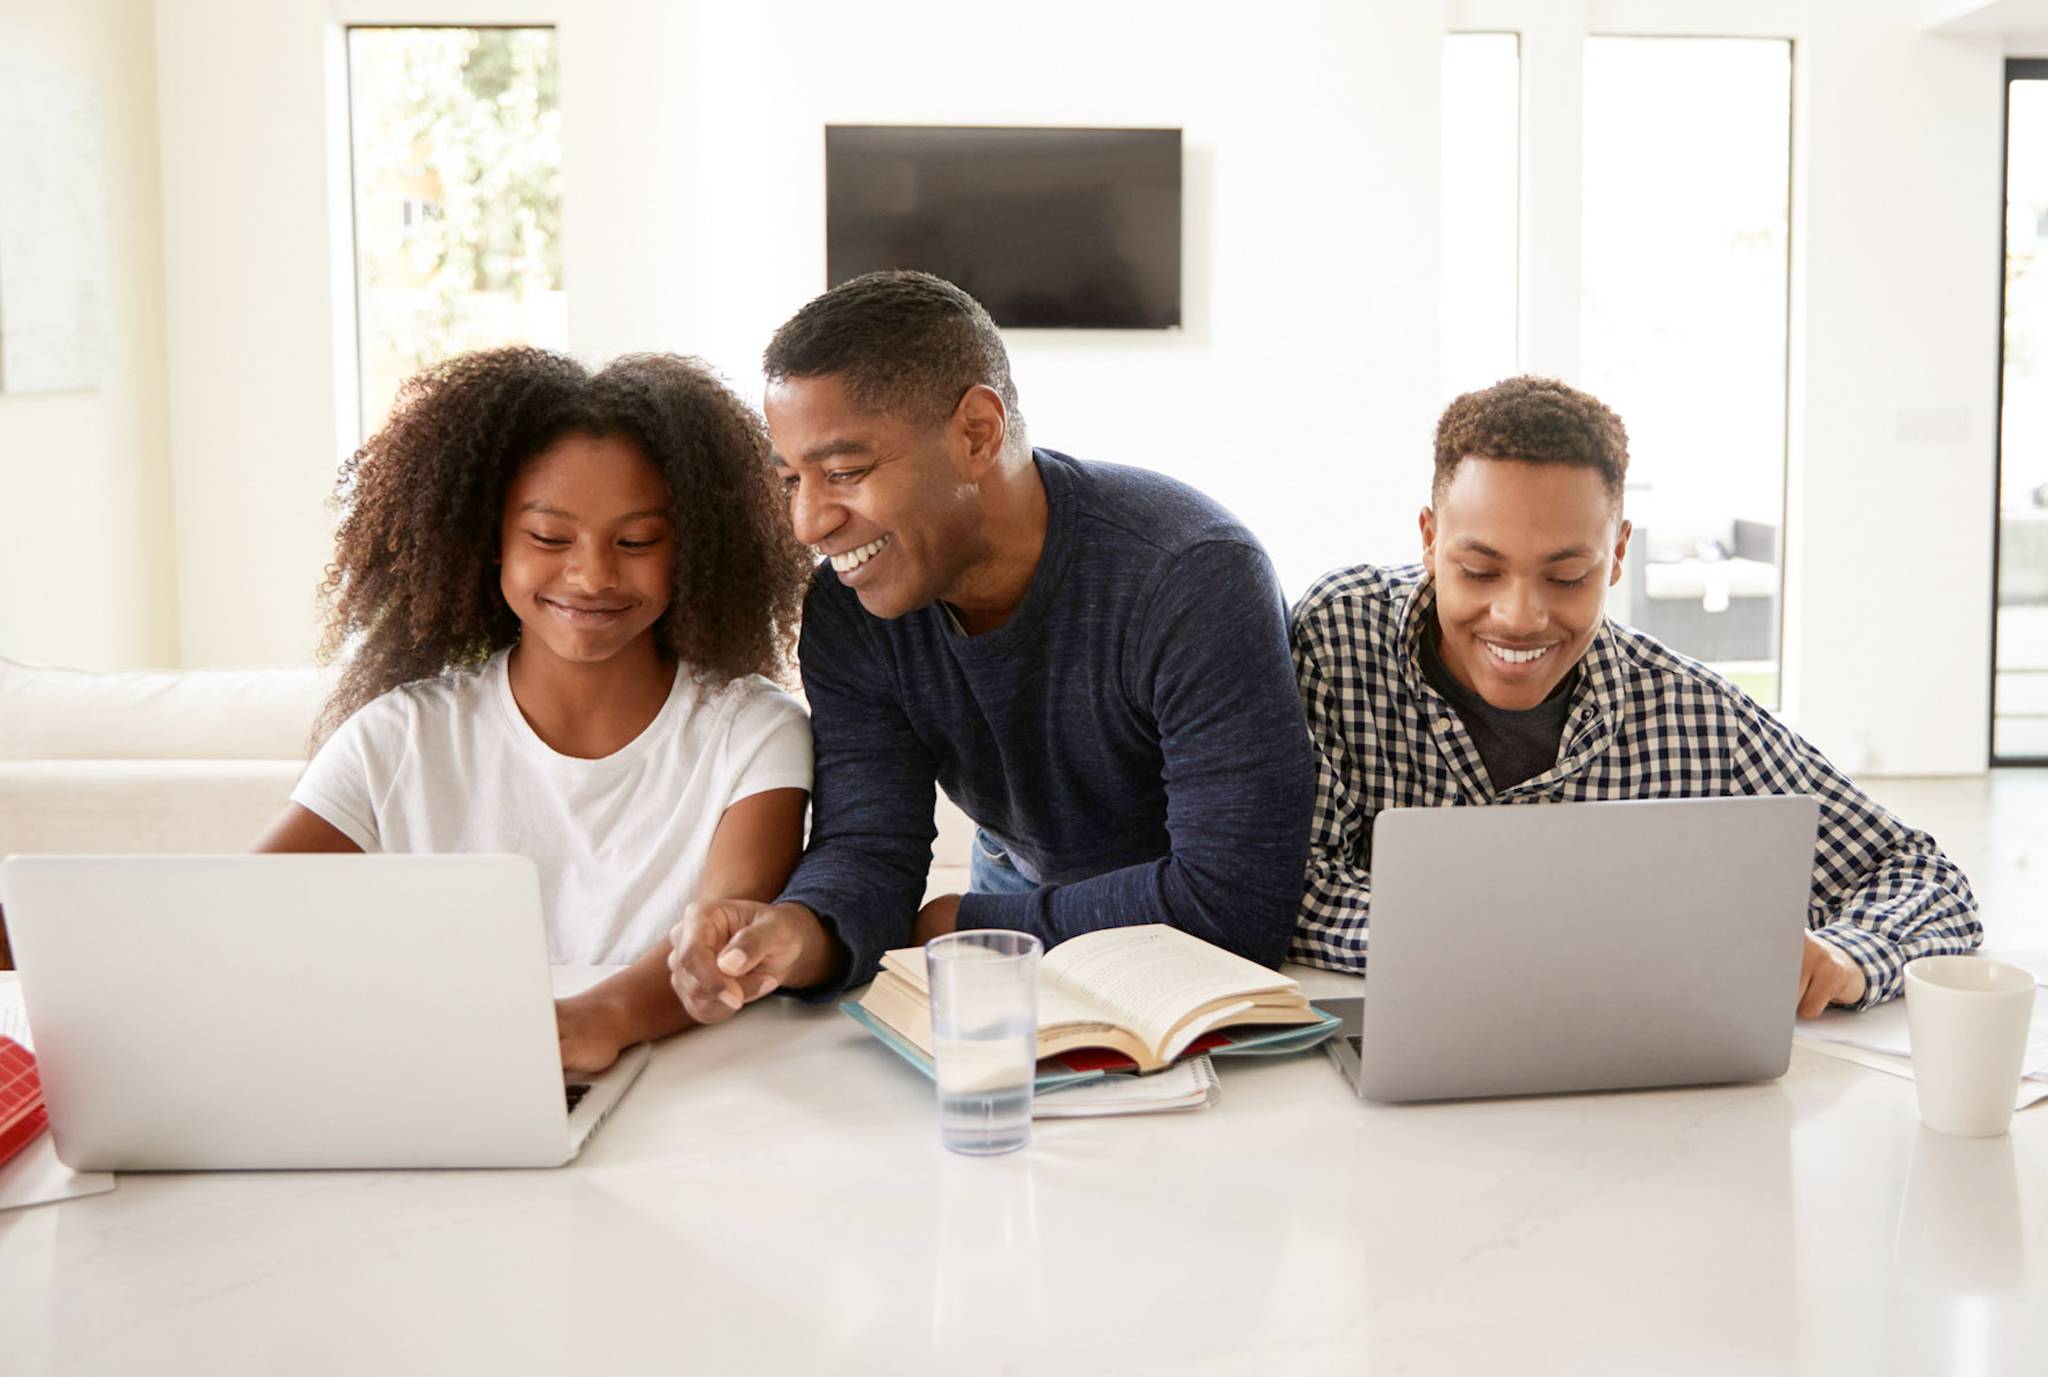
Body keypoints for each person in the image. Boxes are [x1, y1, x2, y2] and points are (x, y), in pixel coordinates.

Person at [665, 271, 1315, 1020]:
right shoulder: (851, 611)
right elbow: (871, 846)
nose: (808, 523)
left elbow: (1235, 898)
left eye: (844, 471)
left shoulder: (1189, 574)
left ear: (977, 432)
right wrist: (800, 928)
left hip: (1175, 947)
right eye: (791, 480)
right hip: (1019, 902)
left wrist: (967, 925)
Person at [1290, 375, 1981, 1016]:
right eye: (1479, 570)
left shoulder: (1692, 715)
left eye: (1566, 577)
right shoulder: (1338, 638)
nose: (1520, 616)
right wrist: (1543, 940)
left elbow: (1923, 876)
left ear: (1617, 553)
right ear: (1429, 538)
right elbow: (1290, 884)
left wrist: (1845, 955)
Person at [256, 347, 814, 1073]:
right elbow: (243, 921)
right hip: (450, 1082)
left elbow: (722, 936)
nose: (591, 574)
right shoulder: (398, 740)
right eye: (549, 538)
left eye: (638, 540)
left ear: (695, 550)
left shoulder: (753, 733)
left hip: (690, 1096)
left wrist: (606, 1017)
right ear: (488, 541)